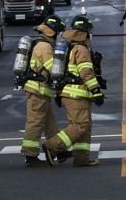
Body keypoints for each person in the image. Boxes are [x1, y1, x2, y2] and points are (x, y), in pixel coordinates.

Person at [43, 15, 104, 167]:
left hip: (69, 93)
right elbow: (86, 72)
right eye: (89, 32)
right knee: (80, 126)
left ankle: (81, 158)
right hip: (77, 94)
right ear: (84, 33)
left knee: (84, 126)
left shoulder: (69, 47)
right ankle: (53, 146)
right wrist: (96, 90)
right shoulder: (81, 49)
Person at [20, 16, 67, 166]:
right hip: (38, 91)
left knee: (50, 123)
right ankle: (30, 156)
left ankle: (58, 150)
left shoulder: (44, 44)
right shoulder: (44, 47)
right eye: (59, 32)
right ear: (52, 32)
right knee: (35, 122)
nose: (60, 35)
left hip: (42, 91)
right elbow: (53, 69)